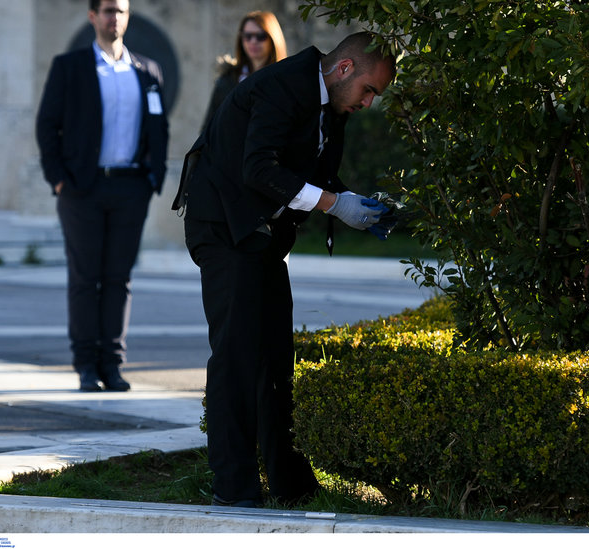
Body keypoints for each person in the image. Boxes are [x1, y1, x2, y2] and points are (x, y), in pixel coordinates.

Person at [172, 31, 396, 507]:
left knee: (275, 360)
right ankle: (233, 491)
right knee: (236, 358)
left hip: (261, 236)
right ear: (345, 69)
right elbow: (259, 169)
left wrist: (357, 203)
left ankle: (291, 486)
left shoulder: (332, 102)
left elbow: (313, 175)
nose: (369, 103)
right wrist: (335, 204)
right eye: (369, 90)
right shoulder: (283, 84)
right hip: (224, 227)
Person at [35, 0, 169, 392]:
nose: (115, 17)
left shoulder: (147, 70)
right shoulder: (70, 67)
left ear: (128, 17)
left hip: (131, 187)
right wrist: (59, 180)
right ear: (92, 16)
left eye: (121, 11)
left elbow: (159, 128)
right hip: (82, 188)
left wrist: (154, 177)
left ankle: (112, 364)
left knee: (118, 278)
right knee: (85, 277)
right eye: (108, 10)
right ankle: (86, 366)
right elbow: (47, 126)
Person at [200, 11, 287, 132]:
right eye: (247, 36)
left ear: (273, 39)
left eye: (260, 36)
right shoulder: (226, 81)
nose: (253, 41)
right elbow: (208, 130)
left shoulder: (285, 82)